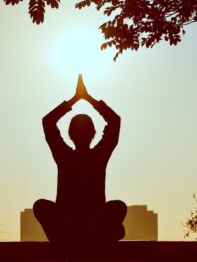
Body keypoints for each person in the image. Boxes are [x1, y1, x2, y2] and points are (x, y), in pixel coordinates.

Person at [33, 75, 127, 243]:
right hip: (84, 222)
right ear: (93, 133)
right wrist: (88, 99)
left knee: (118, 206)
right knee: (118, 208)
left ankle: (76, 234)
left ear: (69, 134)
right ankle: (90, 234)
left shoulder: (65, 155)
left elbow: (48, 122)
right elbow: (114, 121)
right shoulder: (97, 155)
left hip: (75, 222)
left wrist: (75, 100)